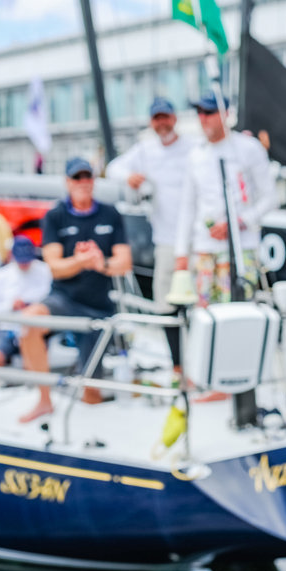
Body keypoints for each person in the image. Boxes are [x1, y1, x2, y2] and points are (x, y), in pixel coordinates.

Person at [19, 157, 132, 420]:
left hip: (98, 306)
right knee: (29, 322)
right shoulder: (55, 216)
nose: (82, 183)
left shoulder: (110, 214)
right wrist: (82, 261)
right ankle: (44, 399)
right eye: (76, 178)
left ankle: (91, 431)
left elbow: (123, 263)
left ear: (93, 181)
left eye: (87, 177)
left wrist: (98, 261)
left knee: (92, 393)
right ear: (67, 182)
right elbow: (54, 266)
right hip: (65, 298)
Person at [106, 97, 195, 368]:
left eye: (165, 117)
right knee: (165, 307)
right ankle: (178, 367)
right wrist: (128, 177)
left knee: (200, 307)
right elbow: (113, 168)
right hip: (165, 243)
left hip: (196, 243)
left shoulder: (193, 148)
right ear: (151, 122)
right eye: (157, 118)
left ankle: (201, 366)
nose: (162, 123)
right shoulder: (146, 150)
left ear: (174, 118)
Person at [174, 91, 278, 306]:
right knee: (203, 314)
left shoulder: (249, 148)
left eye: (209, 112)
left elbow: (270, 198)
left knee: (237, 310)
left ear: (225, 114)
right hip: (204, 248)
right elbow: (187, 206)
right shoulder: (196, 155)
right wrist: (181, 252)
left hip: (242, 248)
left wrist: (237, 223)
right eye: (199, 112)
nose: (202, 118)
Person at [0, 235, 53, 367]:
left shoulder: (45, 270)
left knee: (33, 359)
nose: (24, 264)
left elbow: (52, 298)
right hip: (7, 328)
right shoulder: (1, 275)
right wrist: (10, 305)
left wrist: (31, 303)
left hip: (35, 328)